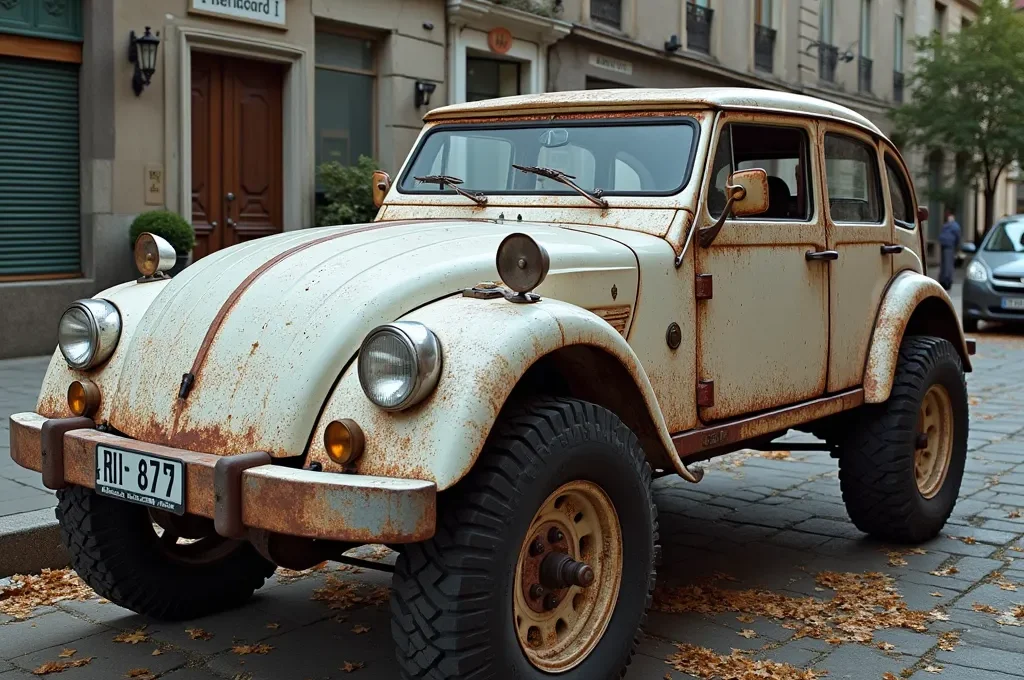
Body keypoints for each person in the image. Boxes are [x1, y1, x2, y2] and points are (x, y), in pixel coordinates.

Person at [938, 210, 961, 291]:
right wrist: (957, 247)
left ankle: (942, 279)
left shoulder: (945, 225)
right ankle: (947, 280)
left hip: (943, 244)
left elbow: (941, 235)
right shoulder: (955, 226)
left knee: (944, 263)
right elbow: (958, 237)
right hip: (950, 245)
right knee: (948, 263)